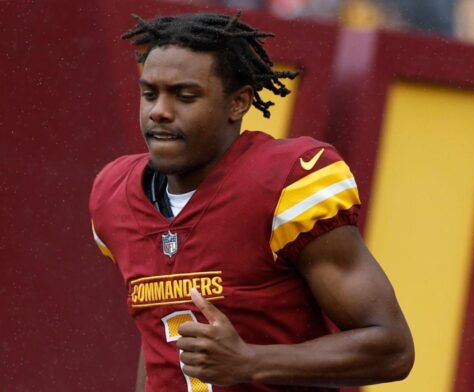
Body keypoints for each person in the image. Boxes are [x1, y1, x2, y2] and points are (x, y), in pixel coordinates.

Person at [88, 12, 414, 392]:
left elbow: (391, 348)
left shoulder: (284, 184)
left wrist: (249, 361)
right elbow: (162, 338)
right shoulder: (114, 195)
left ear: (238, 103)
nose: (159, 110)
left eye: (185, 95)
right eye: (149, 94)